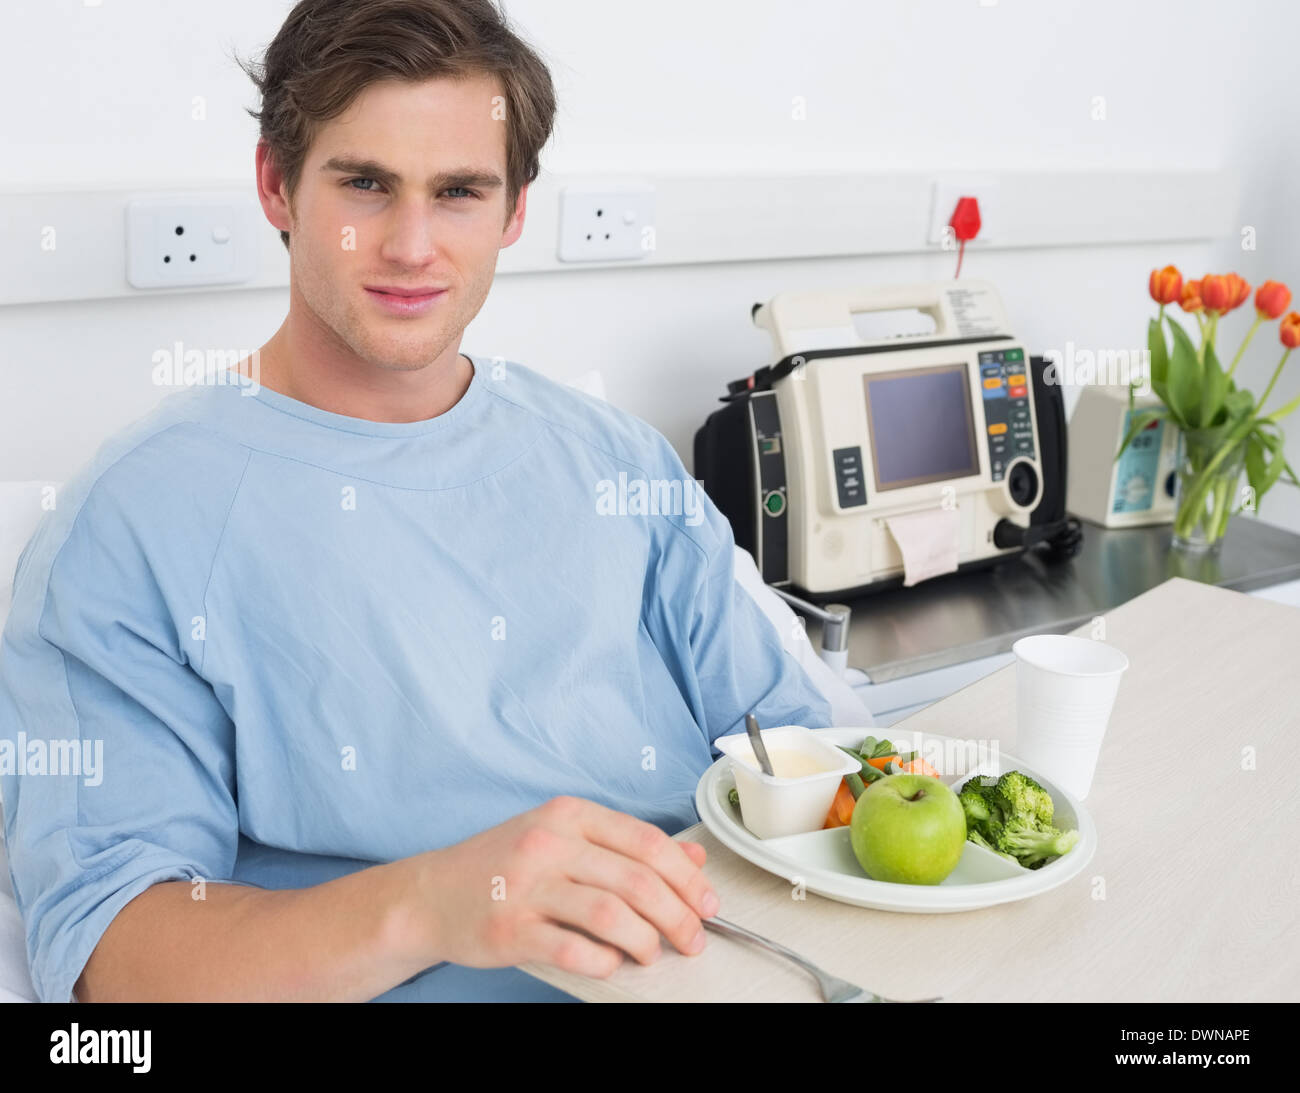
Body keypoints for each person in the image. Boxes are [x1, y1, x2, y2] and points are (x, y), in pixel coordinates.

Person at [0, 0, 832, 1003]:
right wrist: (440, 900)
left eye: (458, 192)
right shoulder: (131, 527)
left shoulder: (616, 462)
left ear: (515, 209)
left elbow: (795, 757)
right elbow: (117, 961)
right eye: (364, 184)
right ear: (276, 185)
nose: (410, 245)